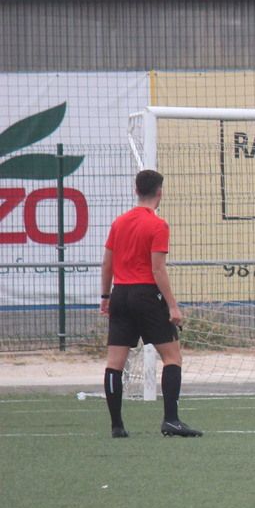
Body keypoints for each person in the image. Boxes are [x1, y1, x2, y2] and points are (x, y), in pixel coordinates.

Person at [99, 168, 200, 437]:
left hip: (120, 293)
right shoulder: (158, 224)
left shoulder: (119, 222)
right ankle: (171, 420)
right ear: (159, 192)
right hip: (146, 295)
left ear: (136, 191)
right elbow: (158, 270)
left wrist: (105, 297)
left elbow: (107, 263)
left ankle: (117, 426)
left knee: (114, 363)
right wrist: (173, 305)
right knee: (172, 357)